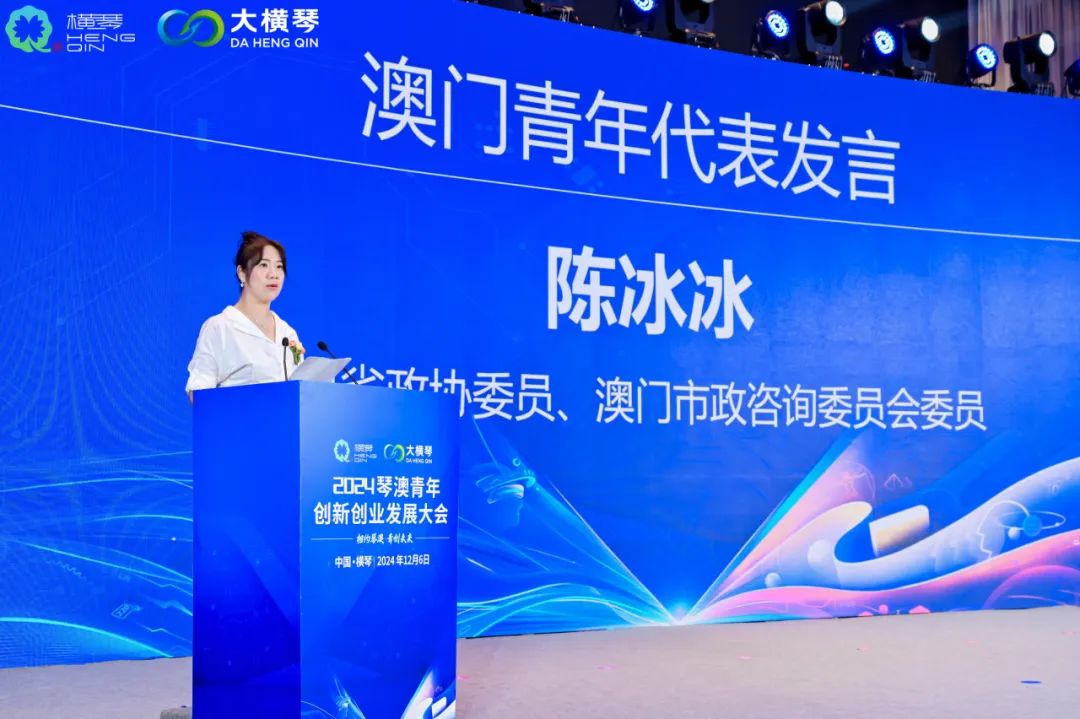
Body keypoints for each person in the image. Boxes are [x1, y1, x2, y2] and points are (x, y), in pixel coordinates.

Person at [186, 231, 304, 403]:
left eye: (279, 266)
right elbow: (198, 392)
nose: (274, 274)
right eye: (263, 265)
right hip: (238, 419)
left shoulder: (287, 333)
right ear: (242, 273)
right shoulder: (220, 327)